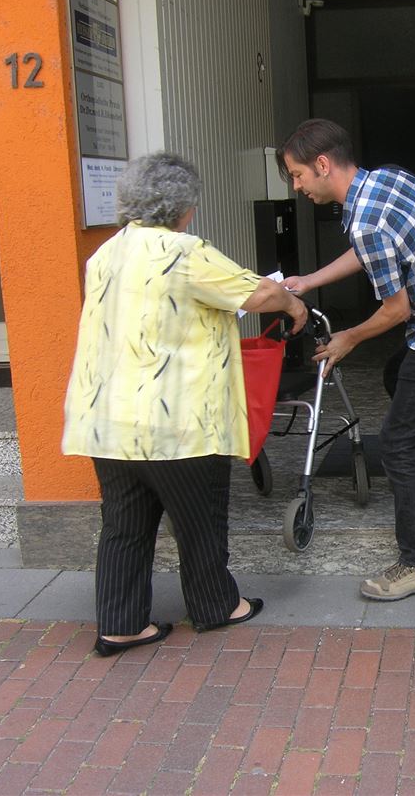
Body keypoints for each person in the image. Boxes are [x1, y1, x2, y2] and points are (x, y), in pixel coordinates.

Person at [62, 152, 307, 656]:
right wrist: (291, 301)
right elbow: (257, 294)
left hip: (109, 421)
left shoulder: (105, 254)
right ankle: (217, 606)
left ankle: (121, 625)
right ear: (183, 207)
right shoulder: (185, 252)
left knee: (124, 526)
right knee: (200, 520)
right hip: (175, 422)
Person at [275, 118, 415, 601]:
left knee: (395, 443)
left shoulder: (366, 219)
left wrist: (348, 339)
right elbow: (370, 251)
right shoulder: (387, 180)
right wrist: (309, 281)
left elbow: (396, 310)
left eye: (298, 175)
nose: (297, 187)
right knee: (398, 376)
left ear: (323, 165)